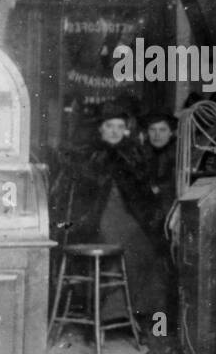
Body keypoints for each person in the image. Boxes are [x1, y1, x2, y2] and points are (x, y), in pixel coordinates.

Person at [59, 104, 169, 327]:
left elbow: (142, 196)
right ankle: (114, 313)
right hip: (94, 221)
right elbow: (76, 201)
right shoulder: (87, 155)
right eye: (109, 126)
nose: (115, 131)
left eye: (120, 126)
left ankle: (136, 314)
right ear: (100, 128)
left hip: (128, 218)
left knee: (153, 252)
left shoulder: (132, 153)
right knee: (128, 250)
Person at [141, 112, 178, 212]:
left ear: (171, 132)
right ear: (147, 132)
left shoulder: (179, 154)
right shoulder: (141, 153)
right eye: (152, 129)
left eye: (162, 130)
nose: (157, 135)